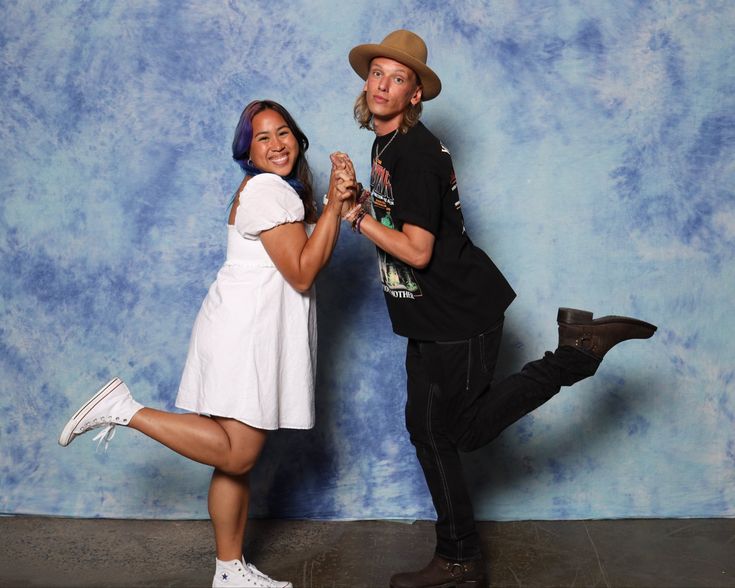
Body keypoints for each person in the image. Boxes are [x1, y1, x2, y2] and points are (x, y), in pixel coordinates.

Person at [340, 30, 657, 588]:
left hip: (457, 315)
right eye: (377, 73)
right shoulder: (386, 143)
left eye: (398, 78)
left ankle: (575, 356)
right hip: (431, 314)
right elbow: (404, 217)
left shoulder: (414, 150)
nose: (384, 85)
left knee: (455, 432)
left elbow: (417, 248)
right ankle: (459, 557)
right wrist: (360, 200)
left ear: (416, 94)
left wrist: (355, 220)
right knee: (428, 430)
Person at [58, 99, 356, 588]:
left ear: (297, 138)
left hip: (242, 328)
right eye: (262, 138)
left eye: (282, 133)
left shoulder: (273, 191)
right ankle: (125, 408)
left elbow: (305, 250)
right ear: (248, 151)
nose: (276, 144)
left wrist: (338, 204)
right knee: (238, 455)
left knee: (234, 461)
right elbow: (303, 271)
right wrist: (332, 208)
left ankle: (229, 570)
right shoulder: (267, 190)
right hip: (247, 337)